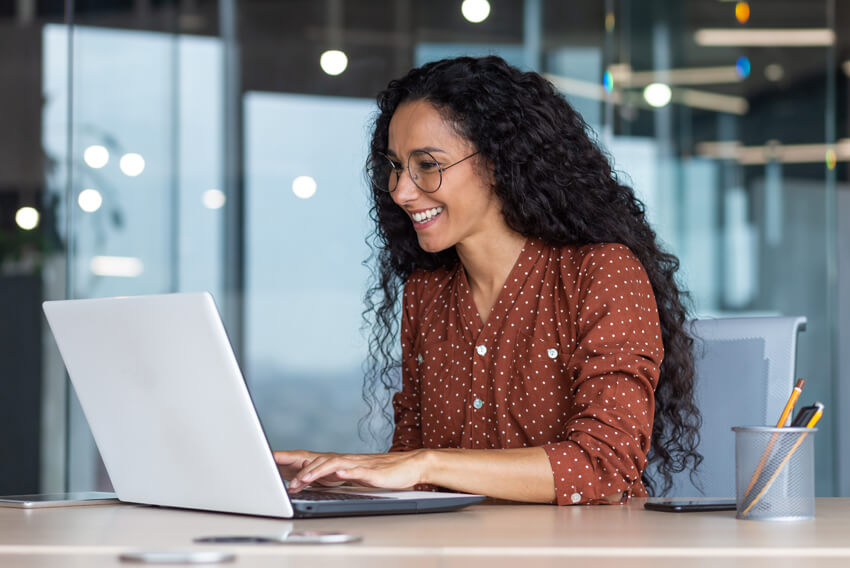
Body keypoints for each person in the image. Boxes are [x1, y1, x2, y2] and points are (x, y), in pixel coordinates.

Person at [274, 56, 700, 505]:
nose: (401, 191)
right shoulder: (426, 294)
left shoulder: (601, 272)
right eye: (396, 167)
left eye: (427, 165)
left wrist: (427, 463)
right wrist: (341, 476)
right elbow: (415, 475)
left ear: (499, 162)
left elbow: (602, 465)